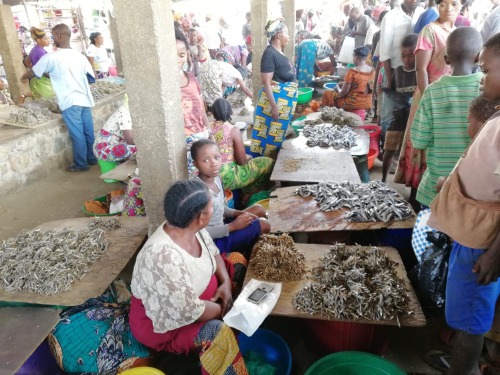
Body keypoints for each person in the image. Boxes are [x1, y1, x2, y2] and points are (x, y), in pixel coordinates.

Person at [426, 33, 500, 375]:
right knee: (463, 311)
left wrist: (495, 253)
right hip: (469, 237)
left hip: (482, 248)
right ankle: (459, 361)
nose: (481, 76)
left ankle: (464, 369)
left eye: (486, 69)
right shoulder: (496, 118)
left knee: (471, 321)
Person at [129, 179, 249, 374]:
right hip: (169, 325)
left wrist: (226, 284)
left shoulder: (191, 228)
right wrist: (224, 310)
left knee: (237, 260)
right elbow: (191, 311)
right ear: (201, 218)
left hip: (201, 301)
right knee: (218, 333)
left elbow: (214, 253)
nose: (214, 208)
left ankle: (231, 318)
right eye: (212, 206)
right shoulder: (162, 257)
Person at [393, 0, 460, 204]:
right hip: (428, 96)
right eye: (443, 4)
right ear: (436, 6)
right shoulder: (429, 31)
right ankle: (415, 196)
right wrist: (429, 98)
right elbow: (420, 69)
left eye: (454, 3)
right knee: (422, 142)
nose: (448, 8)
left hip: (449, 96)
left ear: (461, 6)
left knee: (438, 144)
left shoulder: (457, 33)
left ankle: (433, 194)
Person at [410, 27, 482, 209]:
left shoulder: (433, 92)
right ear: (478, 57)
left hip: (434, 192)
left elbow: (418, 140)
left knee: (429, 237)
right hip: (472, 193)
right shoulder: (485, 90)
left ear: (446, 59)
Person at [22, 23, 96, 172]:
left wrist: (23, 76)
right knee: (88, 131)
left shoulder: (52, 57)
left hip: (69, 100)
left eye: (52, 35)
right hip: (85, 99)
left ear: (59, 36)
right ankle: (92, 158)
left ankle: (81, 164)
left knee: (77, 134)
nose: (51, 38)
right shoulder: (80, 56)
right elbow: (91, 77)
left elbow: (33, 72)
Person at [191, 139, 270, 256]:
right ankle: (247, 254)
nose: (213, 163)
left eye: (216, 157)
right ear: (195, 164)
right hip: (214, 241)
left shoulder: (216, 178)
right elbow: (198, 232)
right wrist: (232, 226)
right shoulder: (197, 192)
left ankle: (249, 245)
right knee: (264, 224)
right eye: (205, 160)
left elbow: (221, 208)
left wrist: (238, 214)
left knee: (259, 209)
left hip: (223, 225)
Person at [379, 0, 423, 167]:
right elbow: (385, 52)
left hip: (414, 75)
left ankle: (402, 155)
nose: (413, 1)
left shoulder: (421, 14)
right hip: (395, 73)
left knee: (409, 118)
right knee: (389, 116)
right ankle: (387, 152)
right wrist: (390, 80)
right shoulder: (390, 17)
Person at [249, 18, 297, 158]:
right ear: (279, 35)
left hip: (283, 104)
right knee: (269, 138)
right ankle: (266, 165)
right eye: (287, 33)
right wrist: (274, 106)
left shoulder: (279, 52)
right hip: (275, 105)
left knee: (276, 137)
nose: (289, 37)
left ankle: (271, 164)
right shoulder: (269, 53)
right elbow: (266, 82)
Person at [209, 98, 274, 201]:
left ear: (213, 113)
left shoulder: (207, 128)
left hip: (209, 174)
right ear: (230, 112)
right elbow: (242, 162)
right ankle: (249, 194)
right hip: (227, 177)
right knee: (267, 162)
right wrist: (249, 157)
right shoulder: (233, 130)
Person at [382, 33, 418, 183]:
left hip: (414, 119)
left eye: (411, 55)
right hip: (399, 116)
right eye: (403, 56)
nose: (407, 60)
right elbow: (393, 92)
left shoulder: (420, 72)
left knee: (411, 153)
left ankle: (410, 183)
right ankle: (383, 180)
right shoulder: (398, 71)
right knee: (389, 148)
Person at [176, 27, 211, 176]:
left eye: (181, 55)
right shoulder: (164, 85)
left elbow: (200, 108)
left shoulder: (190, 77)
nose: (177, 59)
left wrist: (209, 131)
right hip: (182, 141)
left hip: (200, 135)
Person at [321, 46, 375, 112]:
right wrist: (344, 84)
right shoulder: (372, 71)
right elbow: (362, 84)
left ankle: (326, 114)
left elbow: (342, 93)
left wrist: (337, 87)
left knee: (327, 93)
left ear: (356, 57)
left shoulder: (352, 72)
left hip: (352, 104)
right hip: (367, 104)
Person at [93, 95, 136, 163]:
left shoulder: (128, 110)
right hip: (103, 150)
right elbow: (130, 140)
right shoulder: (125, 112)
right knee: (139, 148)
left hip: (113, 146)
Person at [25, 27, 55, 100]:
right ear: (38, 40)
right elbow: (46, 70)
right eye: (45, 39)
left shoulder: (35, 49)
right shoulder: (41, 52)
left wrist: (34, 68)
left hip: (36, 81)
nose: (48, 40)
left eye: (48, 38)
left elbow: (26, 62)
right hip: (42, 82)